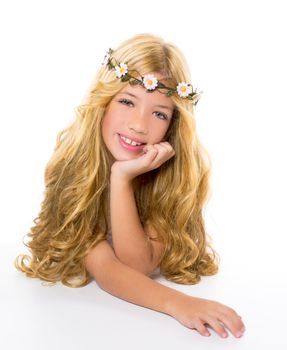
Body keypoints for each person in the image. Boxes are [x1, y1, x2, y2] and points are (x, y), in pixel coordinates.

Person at [14, 33, 245, 339]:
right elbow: (110, 268)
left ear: (172, 125)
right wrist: (180, 304)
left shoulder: (174, 178)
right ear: (103, 102)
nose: (139, 124)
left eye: (159, 113)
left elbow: (138, 264)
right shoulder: (73, 168)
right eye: (126, 102)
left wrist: (122, 178)